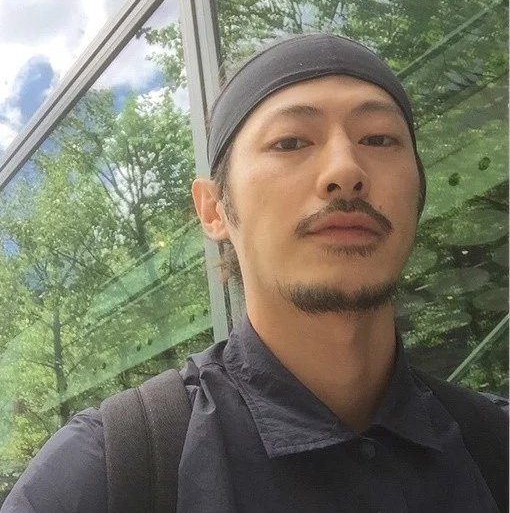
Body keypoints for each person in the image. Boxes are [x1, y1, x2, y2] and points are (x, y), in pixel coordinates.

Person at [1, 33, 507, 513]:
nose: (345, 170)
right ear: (213, 209)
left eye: (379, 138)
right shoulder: (105, 470)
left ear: (418, 191)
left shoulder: (496, 446)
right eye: (290, 142)